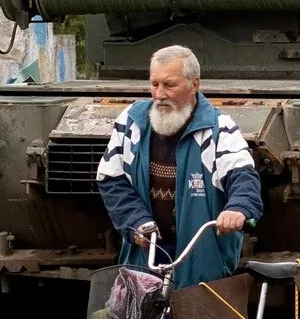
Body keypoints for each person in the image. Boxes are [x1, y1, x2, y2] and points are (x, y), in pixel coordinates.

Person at [95, 45, 262, 288]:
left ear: (194, 85)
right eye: (154, 84)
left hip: (201, 263)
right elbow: (111, 179)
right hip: (146, 259)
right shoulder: (131, 122)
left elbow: (242, 175)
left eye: (169, 85)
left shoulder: (218, 128)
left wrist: (238, 207)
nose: (159, 94)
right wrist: (136, 220)